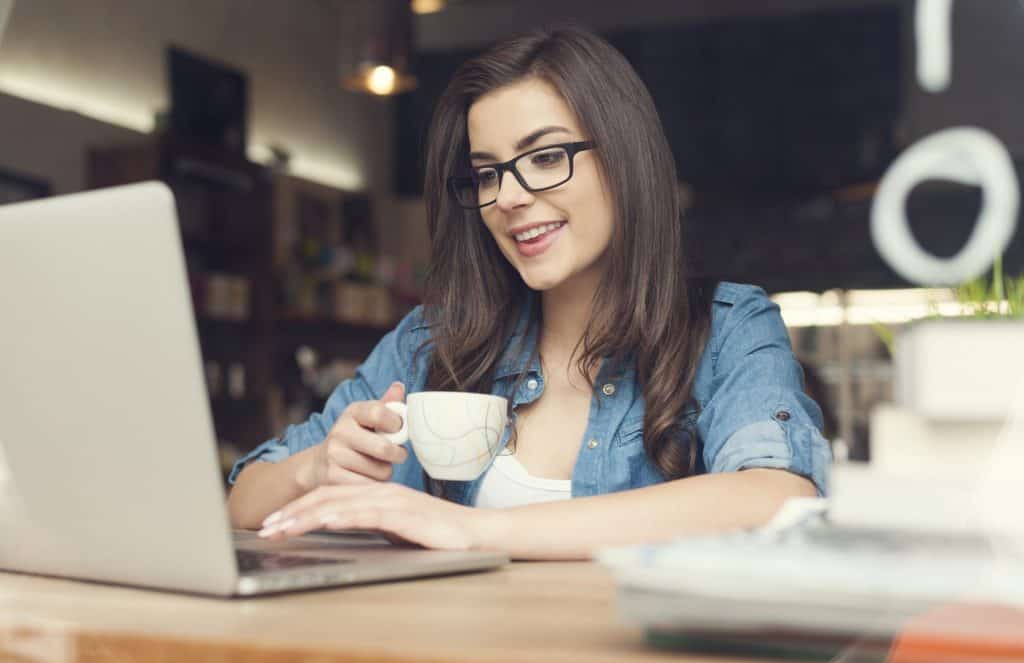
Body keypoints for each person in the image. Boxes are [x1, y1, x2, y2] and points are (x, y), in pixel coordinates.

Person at [227, 25, 831, 560]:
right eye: (487, 173)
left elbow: (778, 497)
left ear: (625, 160)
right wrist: (315, 467)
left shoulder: (726, 330)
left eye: (545, 157)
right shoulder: (429, 343)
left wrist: (472, 530)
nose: (508, 197)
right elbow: (240, 500)